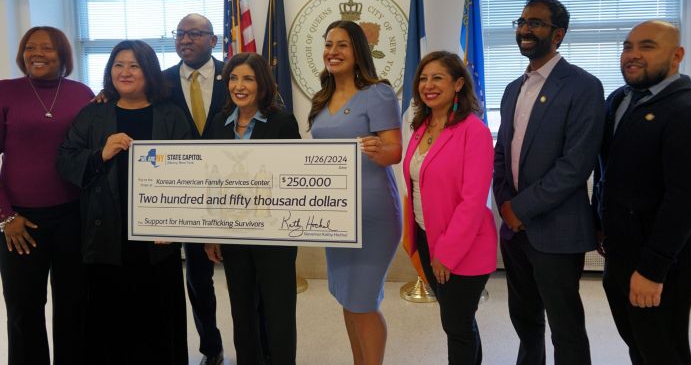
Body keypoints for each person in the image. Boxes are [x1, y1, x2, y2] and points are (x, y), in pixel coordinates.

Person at [57, 40, 190, 365]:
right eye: (119, 64)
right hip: (107, 237)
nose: (125, 72)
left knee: (158, 319)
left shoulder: (171, 114)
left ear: (149, 71)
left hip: (158, 240)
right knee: (109, 321)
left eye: (134, 65)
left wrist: (179, 223)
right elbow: (65, 160)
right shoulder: (93, 113)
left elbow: (193, 170)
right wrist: (99, 154)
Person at [492, 0, 605, 365]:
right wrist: (506, 205)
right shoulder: (513, 88)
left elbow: (576, 165)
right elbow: (501, 154)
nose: (525, 29)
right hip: (515, 232)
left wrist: (518, 208)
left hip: (556, 230)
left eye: (536, 23)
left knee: (565, 326)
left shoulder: (584, 86)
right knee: (525, 320)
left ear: (558, 34)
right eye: (522, 21)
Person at [594, 20, 691, 365]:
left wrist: (653, 270)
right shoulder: (620, 100)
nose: (633, 55)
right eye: (627, 46)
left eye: (647, 46)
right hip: (620, 251)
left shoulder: (689, 112)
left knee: (662, 350)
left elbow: (685, 200)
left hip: (662, 262)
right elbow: (609, 172)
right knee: (638, 344)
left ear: (677, 55)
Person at [308, 19, 402, 365]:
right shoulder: (323, 97)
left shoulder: (377, 92)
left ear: (358, 50)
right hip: (335, 215)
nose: (333, 52)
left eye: (342, 45)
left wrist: (378, 148)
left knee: (363, 302)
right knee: (347, 300)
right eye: (329, 44)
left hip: (372, 212)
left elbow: (395, 150)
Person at [0, 26, 93, 365]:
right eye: (30, 47)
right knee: (24, 310)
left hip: (74, 215)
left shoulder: (82, 93)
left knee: (75, 304)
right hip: (20, 221)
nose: (37, 53)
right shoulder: (5, 92)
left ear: (63, 55)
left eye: (47, 48)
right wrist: (5, 216)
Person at [204, 53, 300, 365]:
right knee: (241, 309)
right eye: (233, 78)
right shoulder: (218, 123)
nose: (239, 85)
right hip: (233, 234)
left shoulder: (282, 122)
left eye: (248, 78)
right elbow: (210, 180)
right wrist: (210, 234)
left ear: (262, 84)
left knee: (278, 311)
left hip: (274, 236)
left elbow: (293, 180)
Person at [402, 51, 496, 364]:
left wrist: (447, 252)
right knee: (458, 322)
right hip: (427, 238)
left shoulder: (474, 131)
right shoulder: (421, 127)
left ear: (458, 84)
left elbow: (473, 200)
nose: (428, 85)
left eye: (437, 77)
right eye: (423, 78)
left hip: (462, 247)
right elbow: (419, 184)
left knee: (455, 324)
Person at [164, 13, 225, 365]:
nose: (186, 40)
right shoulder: (160, 82)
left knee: (245, 275)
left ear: (213, 40)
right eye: (181, 34)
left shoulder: (235, 76)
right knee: (199, 279)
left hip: (234, 190)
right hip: (186, 193)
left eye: (196, 34)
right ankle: (211, 348)